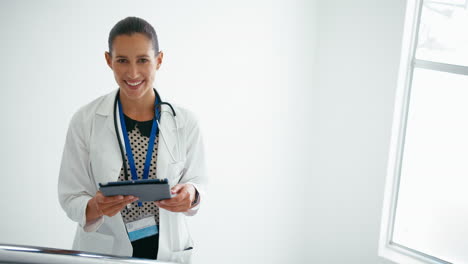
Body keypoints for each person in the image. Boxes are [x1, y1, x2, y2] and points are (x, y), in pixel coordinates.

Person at [57, 17, 206, 263]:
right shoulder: (85, 120)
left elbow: (198, 180)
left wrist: (191, 193)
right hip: (105, 251)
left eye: (143, 60)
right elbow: (70, 195)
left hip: (167, 251)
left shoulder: (185, 121)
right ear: (109, 60)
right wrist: (95, 207)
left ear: (159, 60)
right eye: (122, 60)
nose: (133, 72)